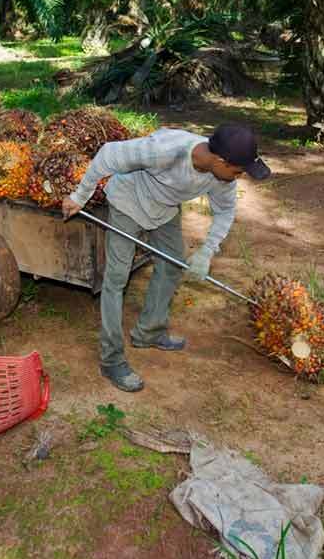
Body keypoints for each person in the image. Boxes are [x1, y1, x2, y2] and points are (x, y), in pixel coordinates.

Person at [61, 123, 272, 392]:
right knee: (116, 278)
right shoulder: (166, 150)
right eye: (238, 170)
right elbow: (107, 154)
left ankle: (148, 331)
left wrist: (207, 250)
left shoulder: (222, 177)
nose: (239, 176)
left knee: (173, 265)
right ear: (220, 160)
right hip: (129, 201)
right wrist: (80, 195)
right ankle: (111, 359)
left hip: (165, 210)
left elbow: (225, 211)